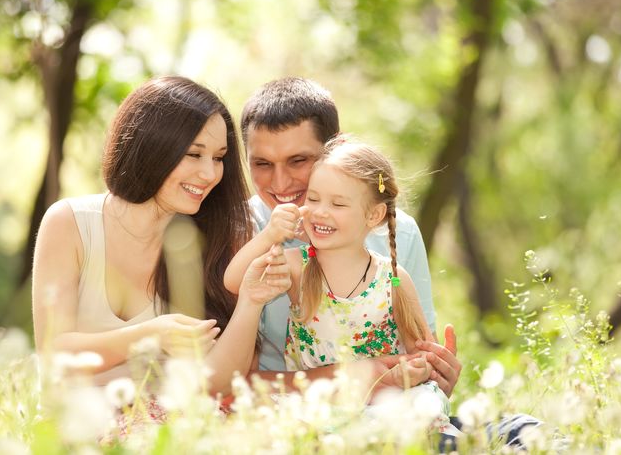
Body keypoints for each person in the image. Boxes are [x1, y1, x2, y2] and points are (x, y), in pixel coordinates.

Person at [31, 76, 290, 394]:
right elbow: (53, 354)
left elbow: (218, 383)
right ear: (152, 148)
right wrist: (147, 336)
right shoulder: (69, 223)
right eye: (194, 155)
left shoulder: (210, 240)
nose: (209, 174)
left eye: (219, 158)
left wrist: (251, 302)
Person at [239, 77, 460, 394]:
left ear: (336, 149)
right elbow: (230, 385)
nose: (280, 182)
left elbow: (422, 360)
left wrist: (438, 374)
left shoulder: (399, 234)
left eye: (298, 160)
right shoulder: (244, 232)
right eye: (262, 163)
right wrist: (347, 376)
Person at [225, 136, 450, 414]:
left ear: (374, 215)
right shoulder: (299, 267)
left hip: (378, 403)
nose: (320, 212)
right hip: (317, 402)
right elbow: (234, 281)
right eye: (314, 198)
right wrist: (270, 235)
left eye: (338, 204)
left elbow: (422, 353)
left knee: (421, 403)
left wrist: (411, 371)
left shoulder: (393, 279)